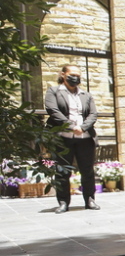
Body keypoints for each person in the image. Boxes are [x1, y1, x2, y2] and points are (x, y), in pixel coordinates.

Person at [44, 64, 100, 214]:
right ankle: (63, 202)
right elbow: (53, 111)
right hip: (63, 138)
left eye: (78, 75)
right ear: (63, 74)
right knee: (62, 171)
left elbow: (93, 114)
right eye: (72, 74)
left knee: (87, 171)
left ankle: (90, 200)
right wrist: (71, 126)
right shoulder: (54, 91)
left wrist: (82, 127)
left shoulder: (86, 95)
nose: (75, 77)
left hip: (85, 138)